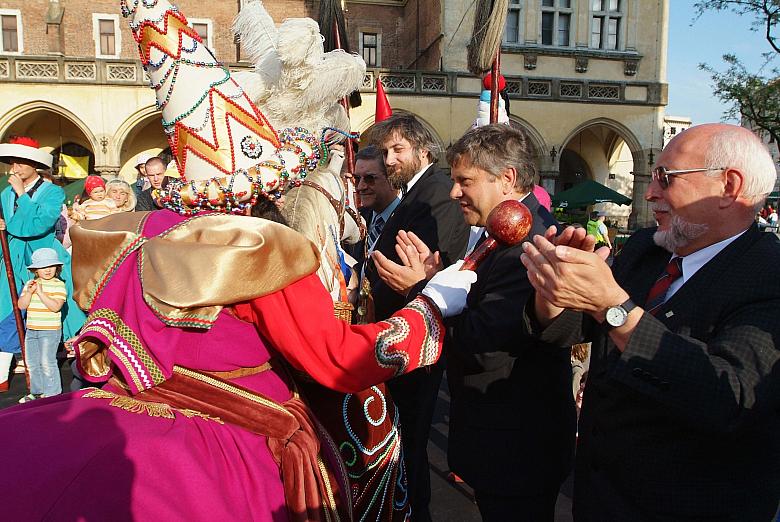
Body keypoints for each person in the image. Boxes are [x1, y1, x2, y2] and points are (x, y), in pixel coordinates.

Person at [0, 1, 478, 519]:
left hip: (126, 405)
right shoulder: (256, 244)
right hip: (222, 438)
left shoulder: (144, 232)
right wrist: (429, 310)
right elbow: (336, 358)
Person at [520, 123, 780, 521]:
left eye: (666, 177)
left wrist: (614, 308)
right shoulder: (646, 250)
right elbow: (572, 331)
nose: (649, 192)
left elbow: (731, 398)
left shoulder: (768, 273)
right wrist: (554, 286)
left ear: (729, 186)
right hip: (598, 498)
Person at [375, 124, 576, 520]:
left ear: (507, 179)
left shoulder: (533, 244)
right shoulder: (498, 234)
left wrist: (421, 292)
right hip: (499, 445)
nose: (453, 193)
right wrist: (434, 282)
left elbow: (485, 343)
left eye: (464, 181)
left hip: (517, 449)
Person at [366, 113, 470, 520]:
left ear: (423, 150)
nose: (389, 160)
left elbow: (437, 263)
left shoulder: (436, 192)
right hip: (401, 329)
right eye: (386, 151)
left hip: (418, 336)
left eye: (398, 150)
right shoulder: (414, 191)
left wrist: (412, 282)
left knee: (409, 440)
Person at [0, 136, 85, 392]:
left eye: (19, 164)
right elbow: (15, 227)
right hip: (13, 257)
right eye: (12, 163)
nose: (13, 169)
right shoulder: (5, 193)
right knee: (8, 308)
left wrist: (22, 196)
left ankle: (71, 369)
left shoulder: (53, 192)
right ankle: (3, 376)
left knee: (57, 307)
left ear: (32, 165)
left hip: (45, 255)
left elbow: (37, 225)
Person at [16, 247, 67, 403]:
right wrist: (30, 292)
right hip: (32, 329)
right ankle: (37, 392)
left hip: (49, 330)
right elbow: (21, 305)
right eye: (43, 267)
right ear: (36, 270)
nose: (47, 270)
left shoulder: (58, 285)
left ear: (57, 268)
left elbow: (55, 306)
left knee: (47, 361)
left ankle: (52, 393)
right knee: (32, 362)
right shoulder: (31, 284)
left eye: (51, 266)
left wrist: (40, 293)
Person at [350, 145, 399, 266]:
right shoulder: (355, 219)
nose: (360, 187)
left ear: (392, 178)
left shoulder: (408, 220)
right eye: (357, 179)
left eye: (369, 179)